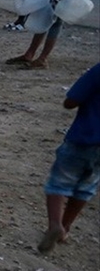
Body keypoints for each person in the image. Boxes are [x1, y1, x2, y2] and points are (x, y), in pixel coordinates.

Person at [39, 62, 100, 253]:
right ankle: (65, 227)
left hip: (82, 138)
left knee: (59, 183)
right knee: (86, 187)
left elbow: (71, 101)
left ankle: (55, 224)